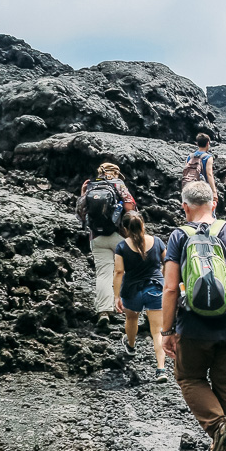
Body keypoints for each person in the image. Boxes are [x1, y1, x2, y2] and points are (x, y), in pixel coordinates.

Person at [160, 180, 226, 451]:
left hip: (192, 326)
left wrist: (166, 331)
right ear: (214, 203)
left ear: (185, 207)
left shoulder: (179, 236)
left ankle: (218, 428)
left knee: (189, 377)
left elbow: (169, 288)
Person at [76, 162, 137, 334]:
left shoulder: (90, 185)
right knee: (125, 271)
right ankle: (125, 309)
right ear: (116, 173)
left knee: (103, 273)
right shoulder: (118, 184)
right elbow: (129, 206)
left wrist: (83, 193)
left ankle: (104, 311)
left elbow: (80, 211)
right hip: (119, 236)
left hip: (97, 237)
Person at [112, 211, 168, 381]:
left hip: (132, 290)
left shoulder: (122, 247)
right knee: (157, 332)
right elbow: (168, 262)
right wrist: (163, 277)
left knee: (131, 319)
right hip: (156, 289)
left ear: (125, 228)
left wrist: (116, 297)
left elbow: (119, 272)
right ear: (143, 224)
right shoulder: (157, 242)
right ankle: (161, 370)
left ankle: (131, 346)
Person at [181, 133, 218, 209]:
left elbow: (186, 172)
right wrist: (214, 192)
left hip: (191, 187)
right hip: (204, 189)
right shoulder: (208, 157)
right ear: (208, 143)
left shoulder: (190, 157)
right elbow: (209, 174)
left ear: (197, 143)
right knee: (208, 211)